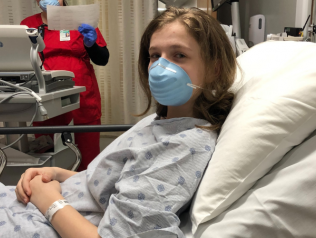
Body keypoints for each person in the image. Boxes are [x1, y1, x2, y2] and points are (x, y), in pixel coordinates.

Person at [0, 7, 237, 238]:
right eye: (155, 55)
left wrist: (48, 200)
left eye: (179, 55)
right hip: (44, 199)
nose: (160, 67)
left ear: (215, 69)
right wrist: (57, 173)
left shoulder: (184, 144)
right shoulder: (160, 121)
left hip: (39, 215)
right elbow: (113, 180)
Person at [21, 0, 110, 171]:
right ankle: (48, 191)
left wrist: (91, 45)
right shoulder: (28, 24)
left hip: (82, 92)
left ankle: (87, 189)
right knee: (45, 151)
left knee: (88, 152)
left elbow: (102, 59)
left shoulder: (80, 20)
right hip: (45, 93)